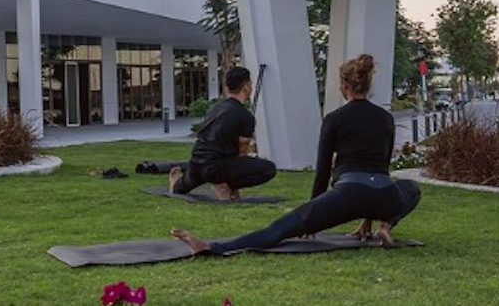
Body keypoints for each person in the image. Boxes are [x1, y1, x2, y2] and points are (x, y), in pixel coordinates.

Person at [172, 54, 421, 254]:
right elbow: (382, 166)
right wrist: (370, 218)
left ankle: (214, 247)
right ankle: (385, 225)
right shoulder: (385, 118)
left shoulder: (335, 119)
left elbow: (323, 169)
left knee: (280, 229)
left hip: (350, 194)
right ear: (367, 85)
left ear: (344, 86)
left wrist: (312, 213)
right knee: (412, 189)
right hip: (385, 196)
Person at [169, 67, 276, 200]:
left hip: (196, 163)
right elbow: (241, 153)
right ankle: (223, 184)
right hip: (217, 168)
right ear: (246, 86)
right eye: (250, 84)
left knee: (179, 189)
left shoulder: (214, 108)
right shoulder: (245, 116)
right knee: (269, 169)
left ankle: (178, 183)